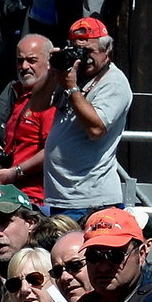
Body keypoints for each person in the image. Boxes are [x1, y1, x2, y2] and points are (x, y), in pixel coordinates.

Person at [44, 17, 132, 223]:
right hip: (61, 198)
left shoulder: (114, 82)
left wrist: (72, 88)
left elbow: (96, 129)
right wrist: (52, 73)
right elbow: (38, 105)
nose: (84, 59)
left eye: (89, 52)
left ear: (107, 50)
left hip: (91, 200)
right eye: (77, 51)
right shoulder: (72, 74)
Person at [0, 35, 57, 205]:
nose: (24, 66)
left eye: (32, 60)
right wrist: (0, 153)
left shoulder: (51, 101)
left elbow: (52, 150)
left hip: (36, 198)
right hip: (11, 193)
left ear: (50, 61)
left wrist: (16, 172)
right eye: (19, 60)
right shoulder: (17, 95)